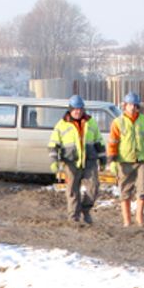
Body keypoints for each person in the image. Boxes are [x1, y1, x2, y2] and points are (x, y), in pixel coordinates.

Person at [48, 94, 103, 224]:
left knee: (94, 188)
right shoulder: (61, 125)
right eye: (75, 109)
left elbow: (99, 141)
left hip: (89, 160)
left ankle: (85, 209)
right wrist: (54, 161)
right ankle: (73, 217)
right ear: (70, 109)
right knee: (72, 190)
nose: (78, 112)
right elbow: (53, 144)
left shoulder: (91, 122)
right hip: (70, 161)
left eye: (80, 109)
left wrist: (103, 159)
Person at [106, 92, 144, 227]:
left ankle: (139, 220)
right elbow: (112, 143)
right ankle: (127, 221)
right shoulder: (118, 122)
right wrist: (112, 161)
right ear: (125, 106)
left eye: (135, 105)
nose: (132, 108)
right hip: (124, 161)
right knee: (125, 192)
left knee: (142, 191)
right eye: (130, 105)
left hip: (141, 161)